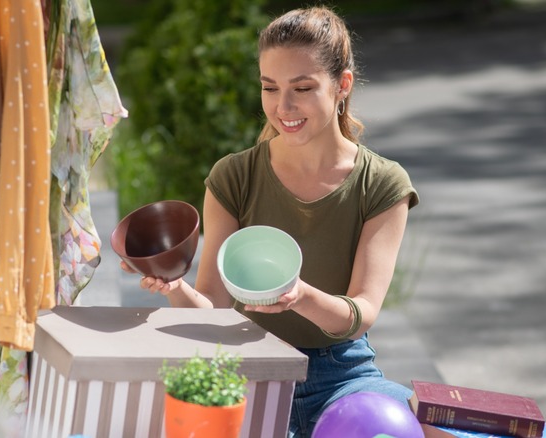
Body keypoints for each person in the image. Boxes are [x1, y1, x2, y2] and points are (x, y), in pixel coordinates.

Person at [121, 6, 419, 437]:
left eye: (302, 88)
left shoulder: (383, 183)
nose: (283, 106)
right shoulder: (233, 176)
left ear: (342, 86)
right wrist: (174, 286)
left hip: (343, 378)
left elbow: (360, 314)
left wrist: (297, 295)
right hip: (246, 372)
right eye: (269, 87)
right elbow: (214, 311)